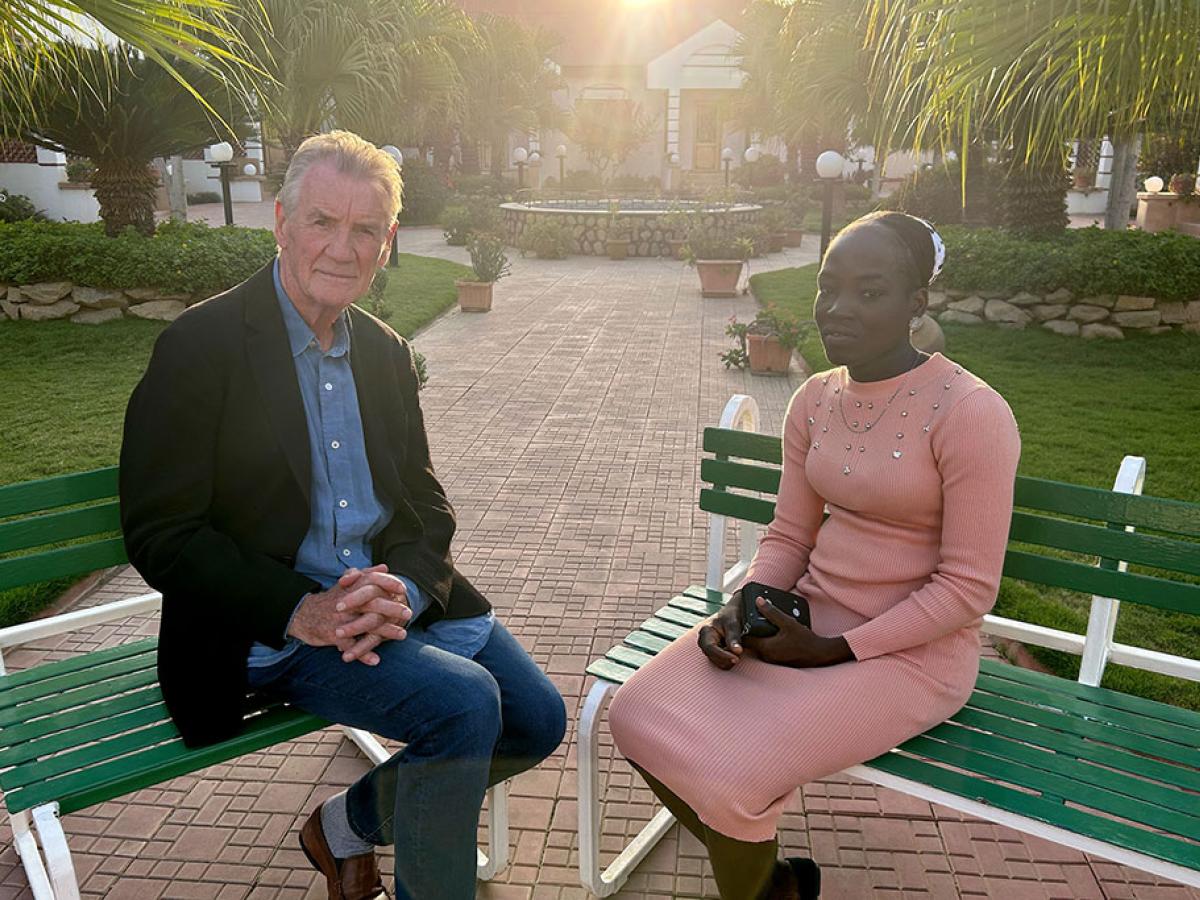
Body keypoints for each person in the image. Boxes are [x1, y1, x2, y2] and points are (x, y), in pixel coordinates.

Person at [119, 130, 565, 900]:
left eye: (365, 230)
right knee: (464, 705)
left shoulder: (384, 352)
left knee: (538, 717)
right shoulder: (201, 347)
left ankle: (343, 828)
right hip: (268, 627)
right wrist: (305, 611)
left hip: (384, 607)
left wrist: (406, 593)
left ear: (387, 243)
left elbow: (425, 503)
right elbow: (163, 534)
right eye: (323, 222)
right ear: (282, 224)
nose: (342, 247)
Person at [607, 211, 1021, 899]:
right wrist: (747, 605)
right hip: (805, 623)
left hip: (914, 655)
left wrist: (836, 649)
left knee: (734, 777)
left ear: (917, 302)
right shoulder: (816, 397)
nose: (838, 308)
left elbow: (968, 590)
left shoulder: (971, 412)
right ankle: (772, 887)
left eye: (870, 291)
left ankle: (759, 880)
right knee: (635, 714)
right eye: (830, 288)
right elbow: (790, 536)